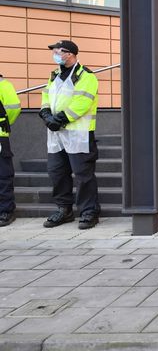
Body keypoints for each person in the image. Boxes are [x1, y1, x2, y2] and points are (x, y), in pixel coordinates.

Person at [39, 40, 100, 229]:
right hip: (56, 135)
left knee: (83, 175)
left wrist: (59, 119)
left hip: (78, 134)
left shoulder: (86, 76)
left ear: (71, 54)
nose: (56, 54)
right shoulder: (54, 76)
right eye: (55, 51)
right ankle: (64, 210)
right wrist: (46, 115)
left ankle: (89, 212)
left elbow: (82, 103)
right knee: (57, 173)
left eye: (59, 51)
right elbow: (46, 96)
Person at [0, 77, 20, 227]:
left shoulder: (3, 85)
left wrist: (4, 124)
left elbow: (13, 109)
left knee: (3, 175)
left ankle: (6, 210)